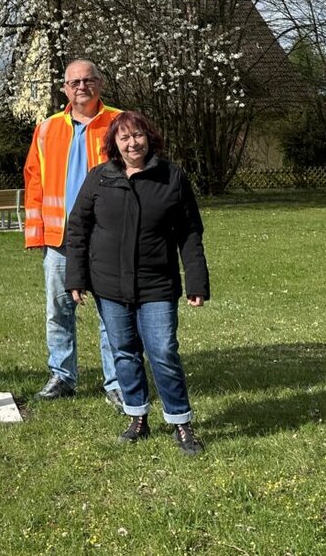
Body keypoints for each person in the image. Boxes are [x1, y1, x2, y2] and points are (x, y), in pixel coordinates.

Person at [64, 110, 209, 456]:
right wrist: (76, 277)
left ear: (150, 138)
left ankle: (181, 422)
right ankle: (137, 417)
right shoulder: (100, 178)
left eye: (138, 135)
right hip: (109, 286)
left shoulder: (171, 178)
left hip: (157, 284)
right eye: (125, 138)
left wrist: (197, 281)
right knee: (124, 352)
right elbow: (78, 229)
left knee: (162, 351)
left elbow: (190, 233)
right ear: (114, 143)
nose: (133, 143)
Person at [23, 59, 123, 408]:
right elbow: (34, 181)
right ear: (64, 88)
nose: (82, 87)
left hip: (109, 237)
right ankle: (62, 377)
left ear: (100, 84)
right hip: (61, 239)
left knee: (112, 311)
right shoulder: (48, 128)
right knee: (58, 311)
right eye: (74, 82)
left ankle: (117, 381)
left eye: (88, 80)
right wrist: (37, 233)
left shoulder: (119, 123)